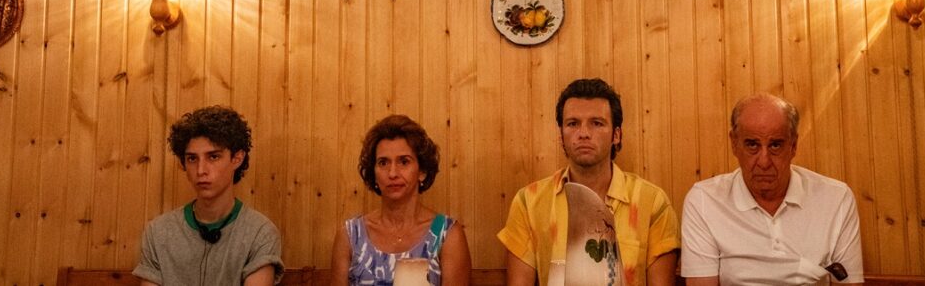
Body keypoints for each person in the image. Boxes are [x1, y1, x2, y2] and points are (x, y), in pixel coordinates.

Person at [498, 78, 680, 286]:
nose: (583, 133)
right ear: (561, 135)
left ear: (616, 135)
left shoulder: (652, 203)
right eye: (573, 124)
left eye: (597, 123)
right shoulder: (529, 202)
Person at [680, 94, 864, 285]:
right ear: (734, 143)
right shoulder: (705, 200)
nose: (764, 162)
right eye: (752, 145)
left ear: (793, 146)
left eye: (776, 145)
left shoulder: (836, 198)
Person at [134, 106, 283, 285]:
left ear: (237, 158)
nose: (201, 170)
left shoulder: (260, 233)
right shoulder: (158, 233)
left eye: (213, 157)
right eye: (192, 159)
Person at [329, 115, 471, 286]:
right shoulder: (350, 236)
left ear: (422, 171)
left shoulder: (446, 234)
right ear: (373, 173)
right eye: (383, 163)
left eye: (404, 162)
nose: (393, 173)